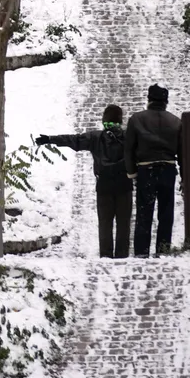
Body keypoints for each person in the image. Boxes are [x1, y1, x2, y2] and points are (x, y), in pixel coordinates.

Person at [35, 105, 132, 258]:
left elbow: (74, 140)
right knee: (123, 224)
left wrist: (50, 139)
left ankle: (106, 255)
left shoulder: (95, 137)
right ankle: (122, 255)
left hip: (104, 186)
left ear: (104, 119)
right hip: (124, 185)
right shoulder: (128, 137)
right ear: (120, 119)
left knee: (105, 224)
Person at [125, 85, 181, 257]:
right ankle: (163, 250)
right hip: (168, 169)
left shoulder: (136, 119)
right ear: (166, 101)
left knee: (144, 211)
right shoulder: (176, 121)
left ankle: (142, 252)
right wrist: (184, 177)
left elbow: (128, 149)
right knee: (166, 212)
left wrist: (131, 172)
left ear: (148, 99)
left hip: (145, 169)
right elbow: (183, 151)